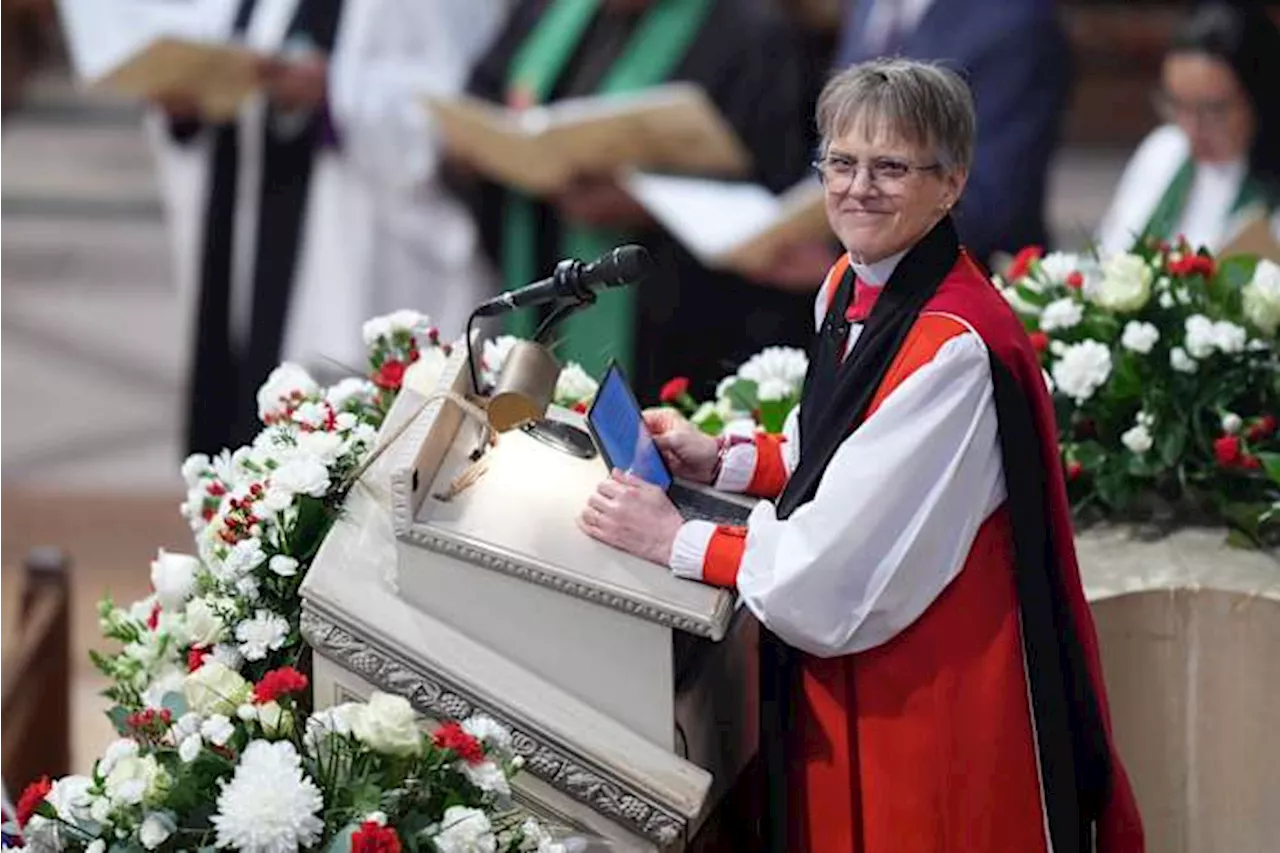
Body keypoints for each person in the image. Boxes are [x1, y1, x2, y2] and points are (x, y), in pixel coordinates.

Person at [579, 59, 1144, 852]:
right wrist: (725, 461)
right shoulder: (856, 280)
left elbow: (827, 577)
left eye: (890, 167)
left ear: (951, 183)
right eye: (841, 163)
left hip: (925, 695)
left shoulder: (951, 347)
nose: (857, 188)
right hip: (874, 666)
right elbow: (838, 447)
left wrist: (670, 538)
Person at [147, 0, 503, 455]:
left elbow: (457, 107)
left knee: (343, 458)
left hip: (366, 254)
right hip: (248, 235)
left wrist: (333, 93)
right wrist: (189, 98)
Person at [456, 0, 817, 403]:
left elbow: (772, 187)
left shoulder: (751, 33)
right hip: (542, 258)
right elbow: (483, 94)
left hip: (669, 316)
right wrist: (485, 150)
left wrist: (646, 202)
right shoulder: (549, 10)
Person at [748, 0, 1073, 290]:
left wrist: (849, 262)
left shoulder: (1013, 20)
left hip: (964, 289)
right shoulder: (870, 7)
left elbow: (996, 204)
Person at [1096, 1, 1280, 256]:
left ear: (1258, 97)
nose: (1191, 128)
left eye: (1212, 110)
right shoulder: (1165, 149)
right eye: (1177, 105)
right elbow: (1108, 253)